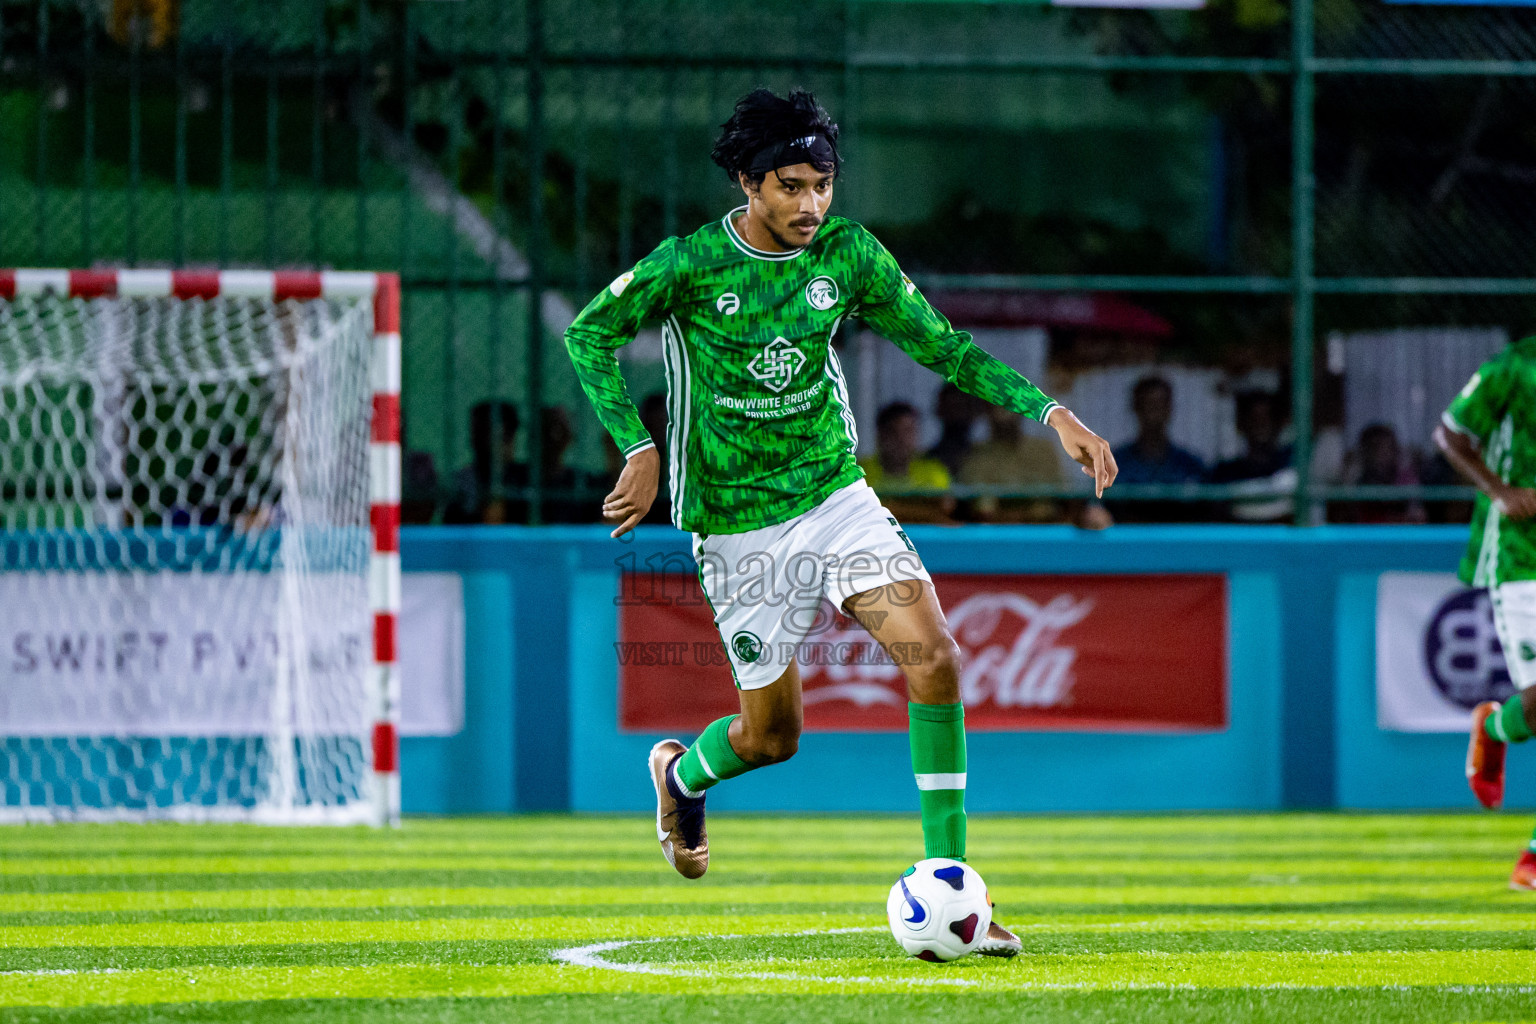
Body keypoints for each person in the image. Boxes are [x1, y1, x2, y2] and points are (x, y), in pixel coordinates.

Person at [563, 87, 1117, 957]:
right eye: (790, 186)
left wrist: (1053, 414)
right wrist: (637, 445)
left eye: (822, 185)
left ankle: (954, 892)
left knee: (934, 657)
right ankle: (682, 775)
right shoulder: (689, 266)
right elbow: (587, 336)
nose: (811, 205)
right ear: (749, 183)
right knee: (772, 737)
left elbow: (946, 347)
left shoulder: (849, 255)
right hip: (738, 525)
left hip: (834, 496)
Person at [1437, 338, 1536, 890]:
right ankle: (1496, 725)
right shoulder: (1516, 366)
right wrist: (1499, 491)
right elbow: (1450, 432)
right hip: (1521, 554)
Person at [962, 402, 1111, 529]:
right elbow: (984, 511)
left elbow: (1058, 503)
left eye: (1010, 402)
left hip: (1044, 536)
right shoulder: (977, 455)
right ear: (986, 409)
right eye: (997, 403)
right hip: (997, 539)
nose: (1005, 411)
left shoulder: (1043, 450)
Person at [1110, 375, 1206, 523]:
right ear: (1136, 407)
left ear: (1169, 408)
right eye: (1147, 404)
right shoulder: (1114, 462)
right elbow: (1097, 507)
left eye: (1159, 405)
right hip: (1130, 541)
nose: (1154, 412)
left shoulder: (1191, 464)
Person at [858, 401, 957, 524]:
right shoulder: (860, 471)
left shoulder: (933, 470)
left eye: (908, 431)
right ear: (880, 435)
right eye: (893, 431)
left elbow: (944, 507)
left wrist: (889, 508)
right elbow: (858, 511)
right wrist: (921, 511)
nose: (901, 439)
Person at [1208, 390, 1295, 524]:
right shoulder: (1224, 473)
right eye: (1254, 419)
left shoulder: (1291, 466)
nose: (1261, 426)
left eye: (1267, 418)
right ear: (1241, 424)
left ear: (1280, 424)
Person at [925, 382, 979, 480]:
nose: (957, 415)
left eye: (962, 407)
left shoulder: (984, 459)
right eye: (951, 407)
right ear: (939, 411)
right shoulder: (927, 461)